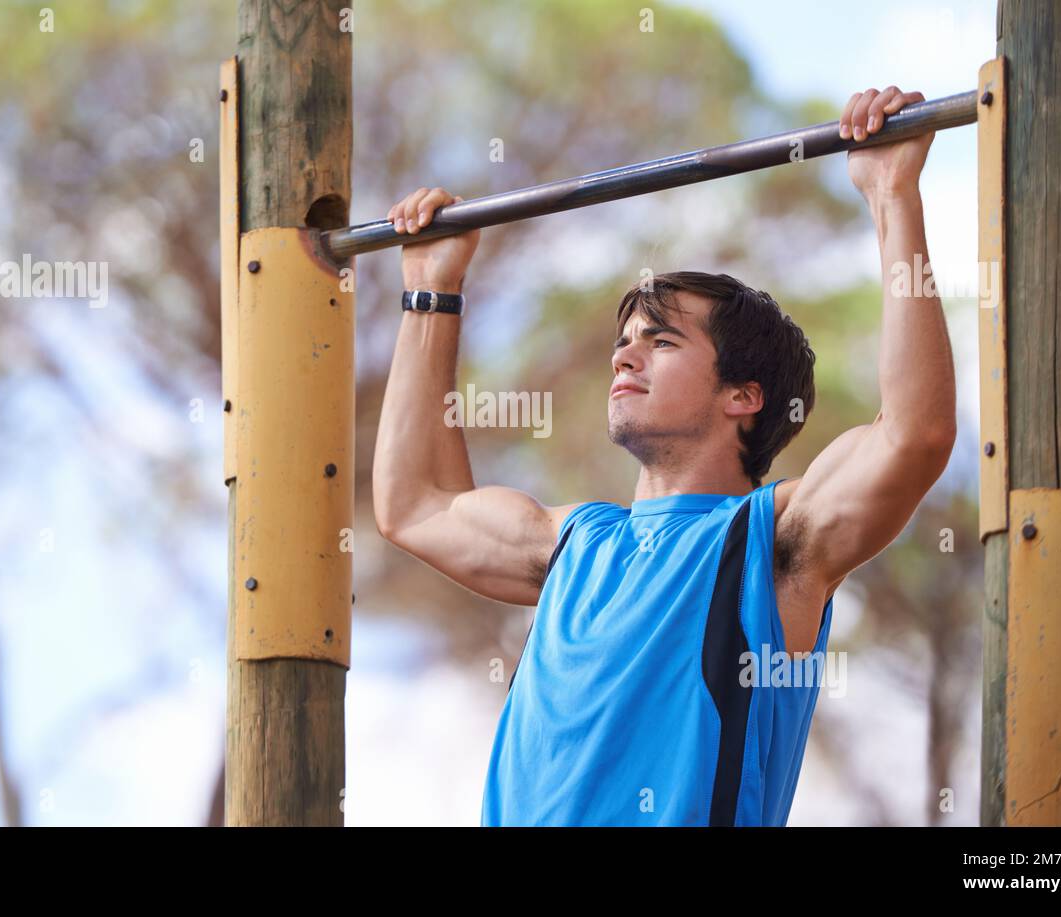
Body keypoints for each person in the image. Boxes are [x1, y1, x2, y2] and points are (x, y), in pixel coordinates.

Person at [371, 85, 956, 826]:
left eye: (661, 340)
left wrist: (891, 195)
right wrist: (431, 290)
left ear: (743, 395)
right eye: (623, 342)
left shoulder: (770, 544)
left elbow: (915, 433)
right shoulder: (574, 545)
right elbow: (413, 501)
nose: (625, 357)